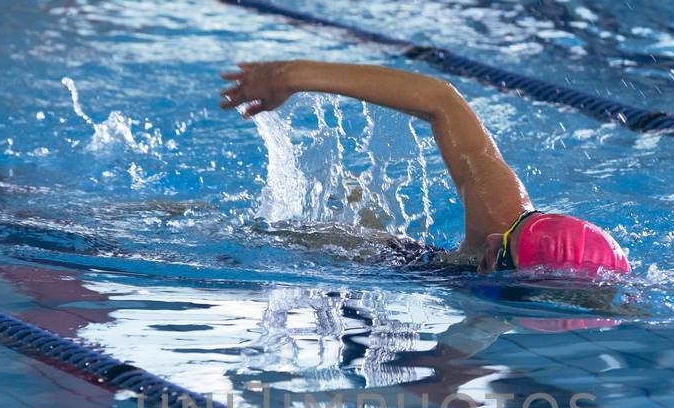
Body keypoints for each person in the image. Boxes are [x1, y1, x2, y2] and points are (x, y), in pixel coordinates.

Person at [219, 60, 632, 278]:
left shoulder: (509, 311)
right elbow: (441, 100)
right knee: (266, 235)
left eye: (502, 251)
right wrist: (294, 75)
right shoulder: (505, 217)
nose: (491, 239)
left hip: (428, 276)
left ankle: (359, 204)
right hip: (409, 262)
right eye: (511, 230)